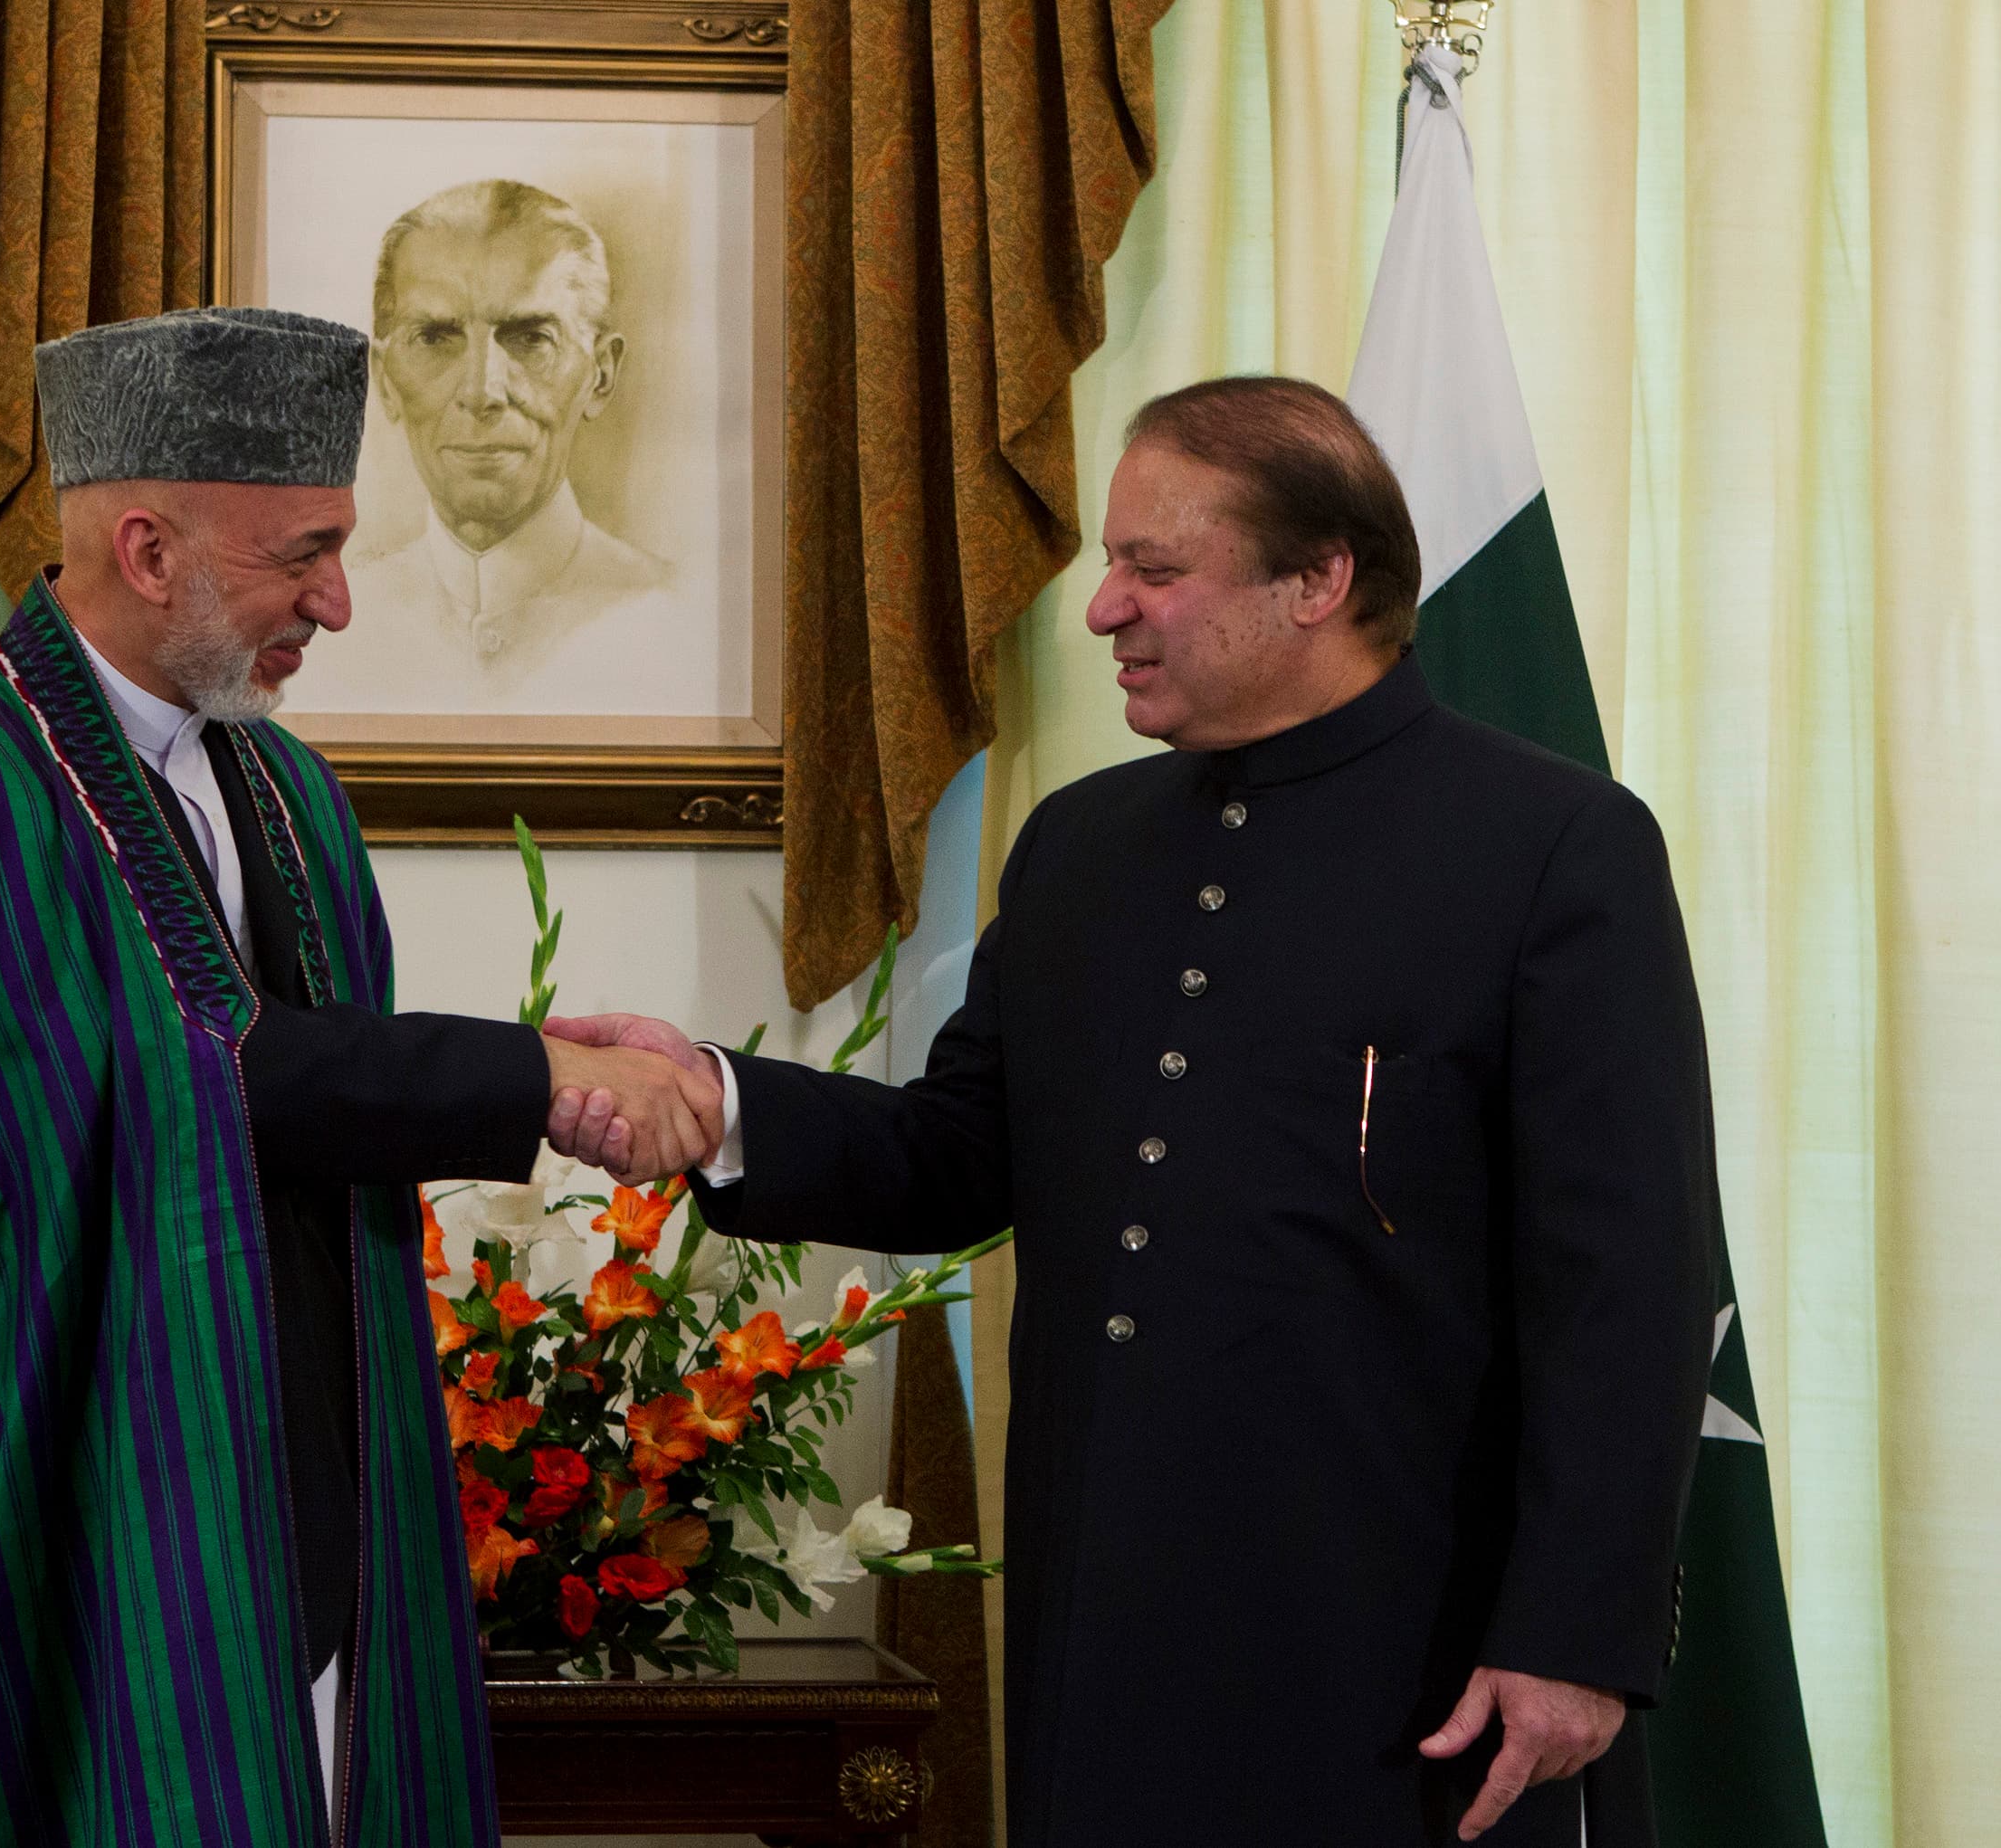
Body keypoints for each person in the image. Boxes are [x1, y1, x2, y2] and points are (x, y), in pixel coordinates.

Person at [547, 376, 1718, 1847]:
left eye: (1153, 568)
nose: (1103, 608)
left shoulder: (1556, 847)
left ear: (1320, 581)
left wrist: (1576, 1632)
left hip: (1413, 1649)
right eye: (1112, 563)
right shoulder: (1081, 848)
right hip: (1116, 1629)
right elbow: (955, 1157)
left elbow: (1628, 1284)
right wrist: (711, 1104)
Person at [0, 306, 718, 1848]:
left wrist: (546, 1063)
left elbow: (304, 1087)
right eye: (303, 554)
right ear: (147, 548)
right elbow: (206, 1067)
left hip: (319, 1504)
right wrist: (536, 1073)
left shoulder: (285, 784)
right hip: (93, 1507)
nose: (338, 600)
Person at [348, 178, 671, 691]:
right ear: (386, 380)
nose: (481, 392)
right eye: (434, 338)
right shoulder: (329, 636)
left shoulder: (675, 616)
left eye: (531, 338)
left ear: (601, 375)